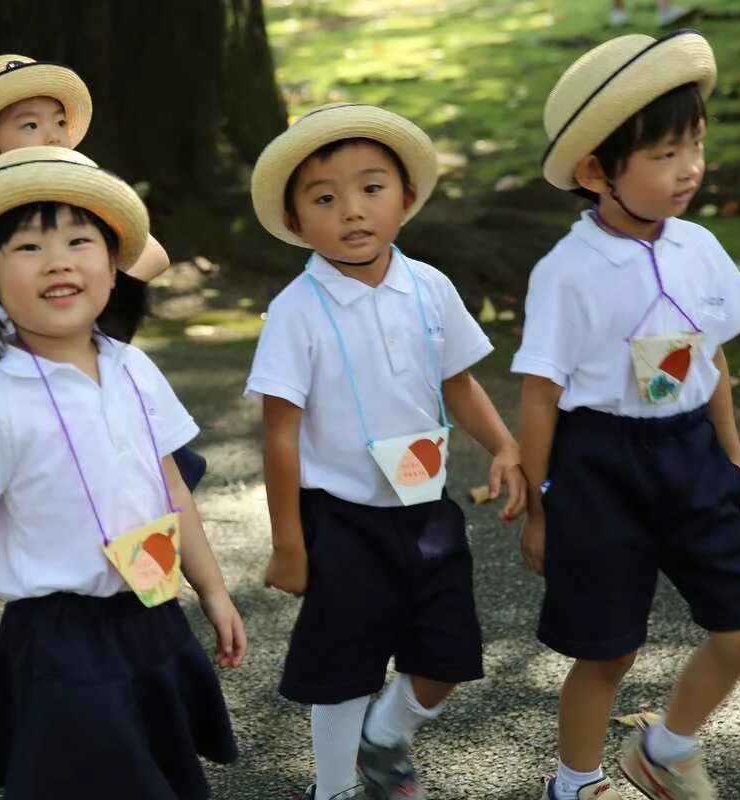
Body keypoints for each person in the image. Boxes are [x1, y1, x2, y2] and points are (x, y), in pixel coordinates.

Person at [0, 145, 245, 799]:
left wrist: (213, 591)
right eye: (29, 248)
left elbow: (174, 488)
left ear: (113, 267)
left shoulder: (134, 369)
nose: (59, 259)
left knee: (163, 770)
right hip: (58, 636)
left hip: (152, 609)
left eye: (79, 240)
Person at [518, 31, 740, 800]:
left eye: (694, 144)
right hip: (600, 466)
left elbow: (714, 359)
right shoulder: (565, 272)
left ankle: (666, 747)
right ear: (597, 171)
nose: (690, 167)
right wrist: (538, 506)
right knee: (608, 652)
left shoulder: (700, 247)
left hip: (691, 452)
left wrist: (731, 456)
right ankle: (575, 783)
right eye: (664, 154)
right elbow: (540, 395)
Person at [245, 104, 526, 800]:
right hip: (338, 517)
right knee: (344, 666)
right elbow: (279, 432)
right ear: (295, 221)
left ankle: (387, 735)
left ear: (406, 199)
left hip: (425, 507)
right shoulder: (296, 310)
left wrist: (503, 445)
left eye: (372, 188)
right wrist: (288, 542)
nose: (352, 211)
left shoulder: (429, 287)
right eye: (324, 197)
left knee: (450, 654)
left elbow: (456, 382)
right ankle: (335, 788)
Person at [0, 55, 208, 487]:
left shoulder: (80, 194)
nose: (52, 134)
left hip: (91, 379)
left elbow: (153, 255)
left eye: (58, 121)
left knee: (154, 488)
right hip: (18, 396)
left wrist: (87, 301)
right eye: (30, 125)